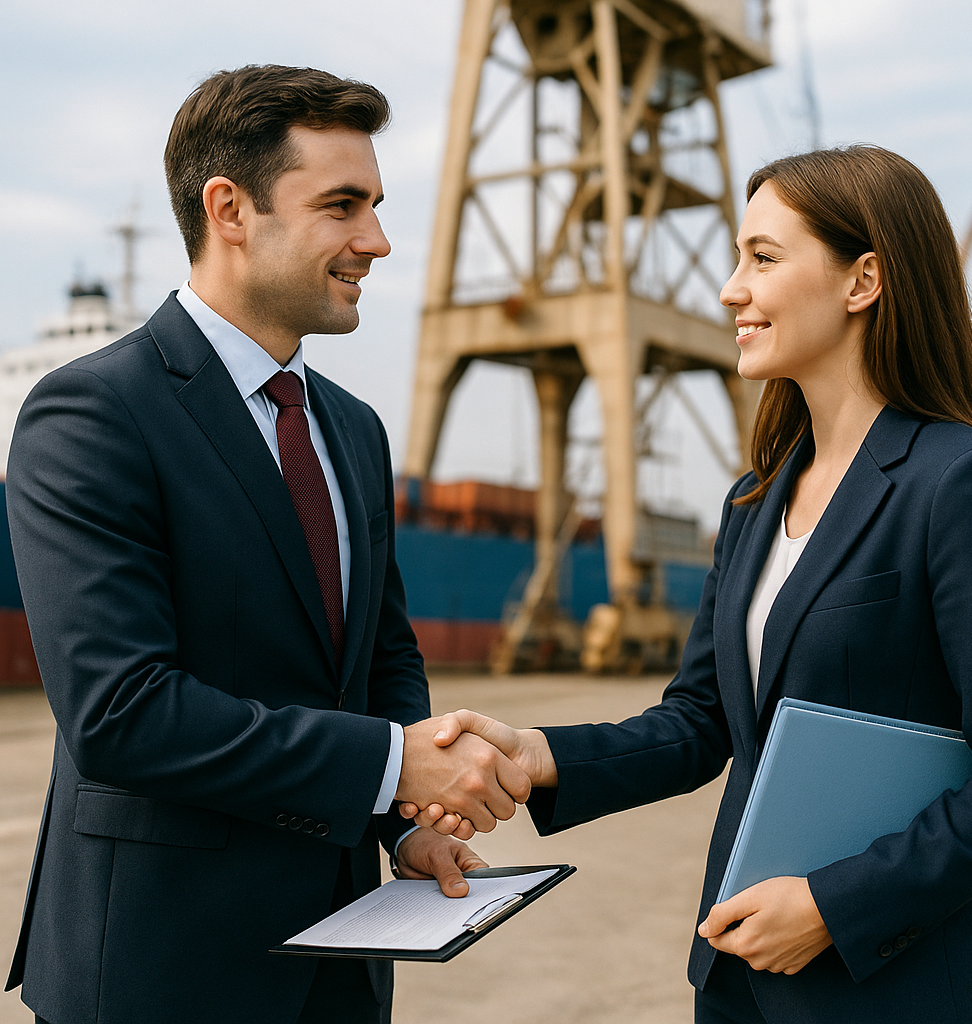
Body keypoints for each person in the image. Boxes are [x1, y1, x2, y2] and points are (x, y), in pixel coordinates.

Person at [404, 145, 972, 1023]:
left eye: (763, 258)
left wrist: (829, 908)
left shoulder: (961, 484)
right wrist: (540, 755)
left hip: (893, 992)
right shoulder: (754, 497)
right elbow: (702, 723)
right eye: (737, 257)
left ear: (864, 281)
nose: (730, 288)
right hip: (737, 982)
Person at [4, 64, 530, 1024]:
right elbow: (122, 713)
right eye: (341, 205)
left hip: (343, 961)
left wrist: (404, 823)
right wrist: (392, 764)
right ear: (229, 209)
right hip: (159, 973)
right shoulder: (94, 412)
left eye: (373, 204)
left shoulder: (354, 428)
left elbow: (380, 655)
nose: (375, 240)